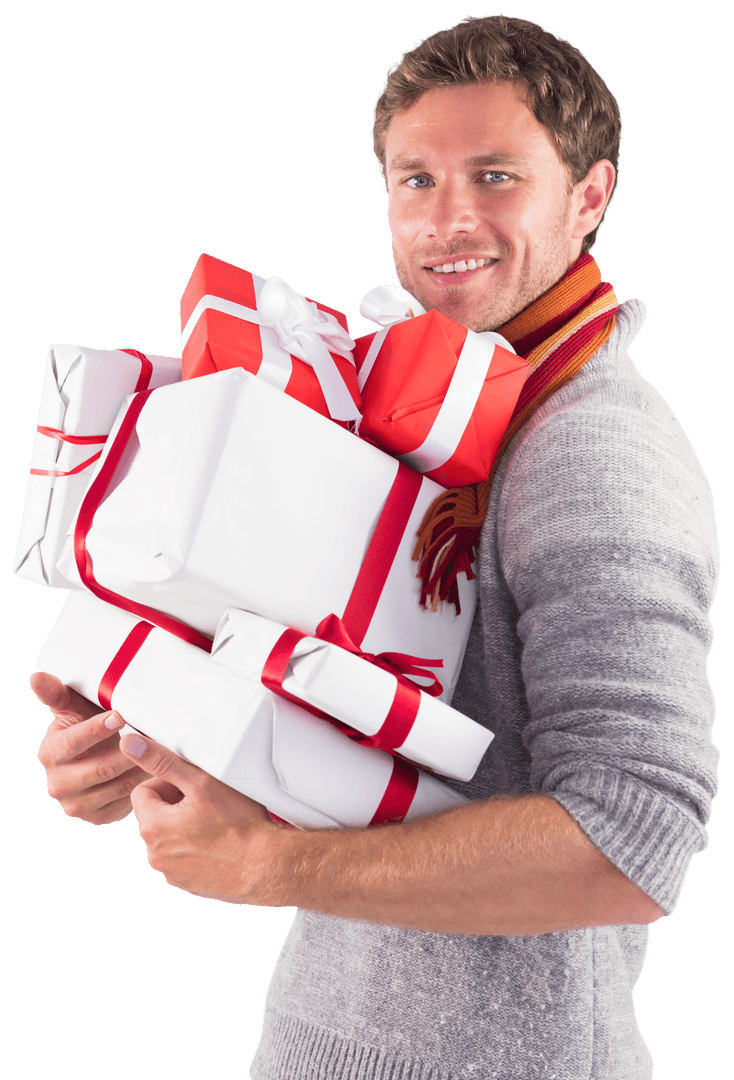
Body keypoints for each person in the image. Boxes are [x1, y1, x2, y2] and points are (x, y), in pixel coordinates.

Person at [32, 15, 719, 1080]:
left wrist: (270, 866)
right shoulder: (431, 410)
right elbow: (377, 742)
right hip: (323, 1038)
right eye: (414, 181)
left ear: (588, 197)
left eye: (494, 176)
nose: (446, 220)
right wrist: (155, 737)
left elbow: (630, 842)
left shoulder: (593, 446)